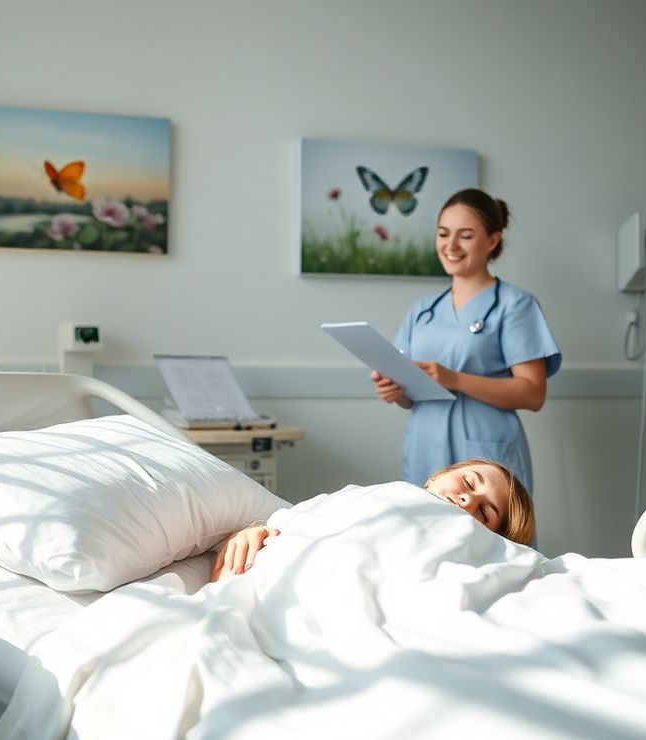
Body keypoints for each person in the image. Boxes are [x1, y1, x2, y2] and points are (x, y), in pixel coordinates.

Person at [372, 189, 561, 494]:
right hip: (425, 449)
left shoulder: (515, 305)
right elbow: (409, 395)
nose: (451, 245)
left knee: (495, 540)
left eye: (466, 235)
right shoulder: (423, 310)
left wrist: (454, 379)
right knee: (424, 537)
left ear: (492, 241)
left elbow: (532, 393)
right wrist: (394, 390)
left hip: (485, 459)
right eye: (443, 234)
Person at [210, 458, 535, 581]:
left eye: (483, 513)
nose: (468, 500)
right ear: (438, 476)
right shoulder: (372, 497)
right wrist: (252, 532)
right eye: (467, 483)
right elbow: (294, 521)